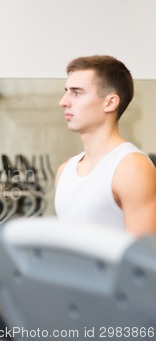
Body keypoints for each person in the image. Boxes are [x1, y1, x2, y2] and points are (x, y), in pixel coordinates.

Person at [55, 55, 156, 236]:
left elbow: (145, 259)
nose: (63, 102)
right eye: (66, 91)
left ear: (110, 102)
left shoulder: (132, 168)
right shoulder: (65, 170)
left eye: (76, 92)